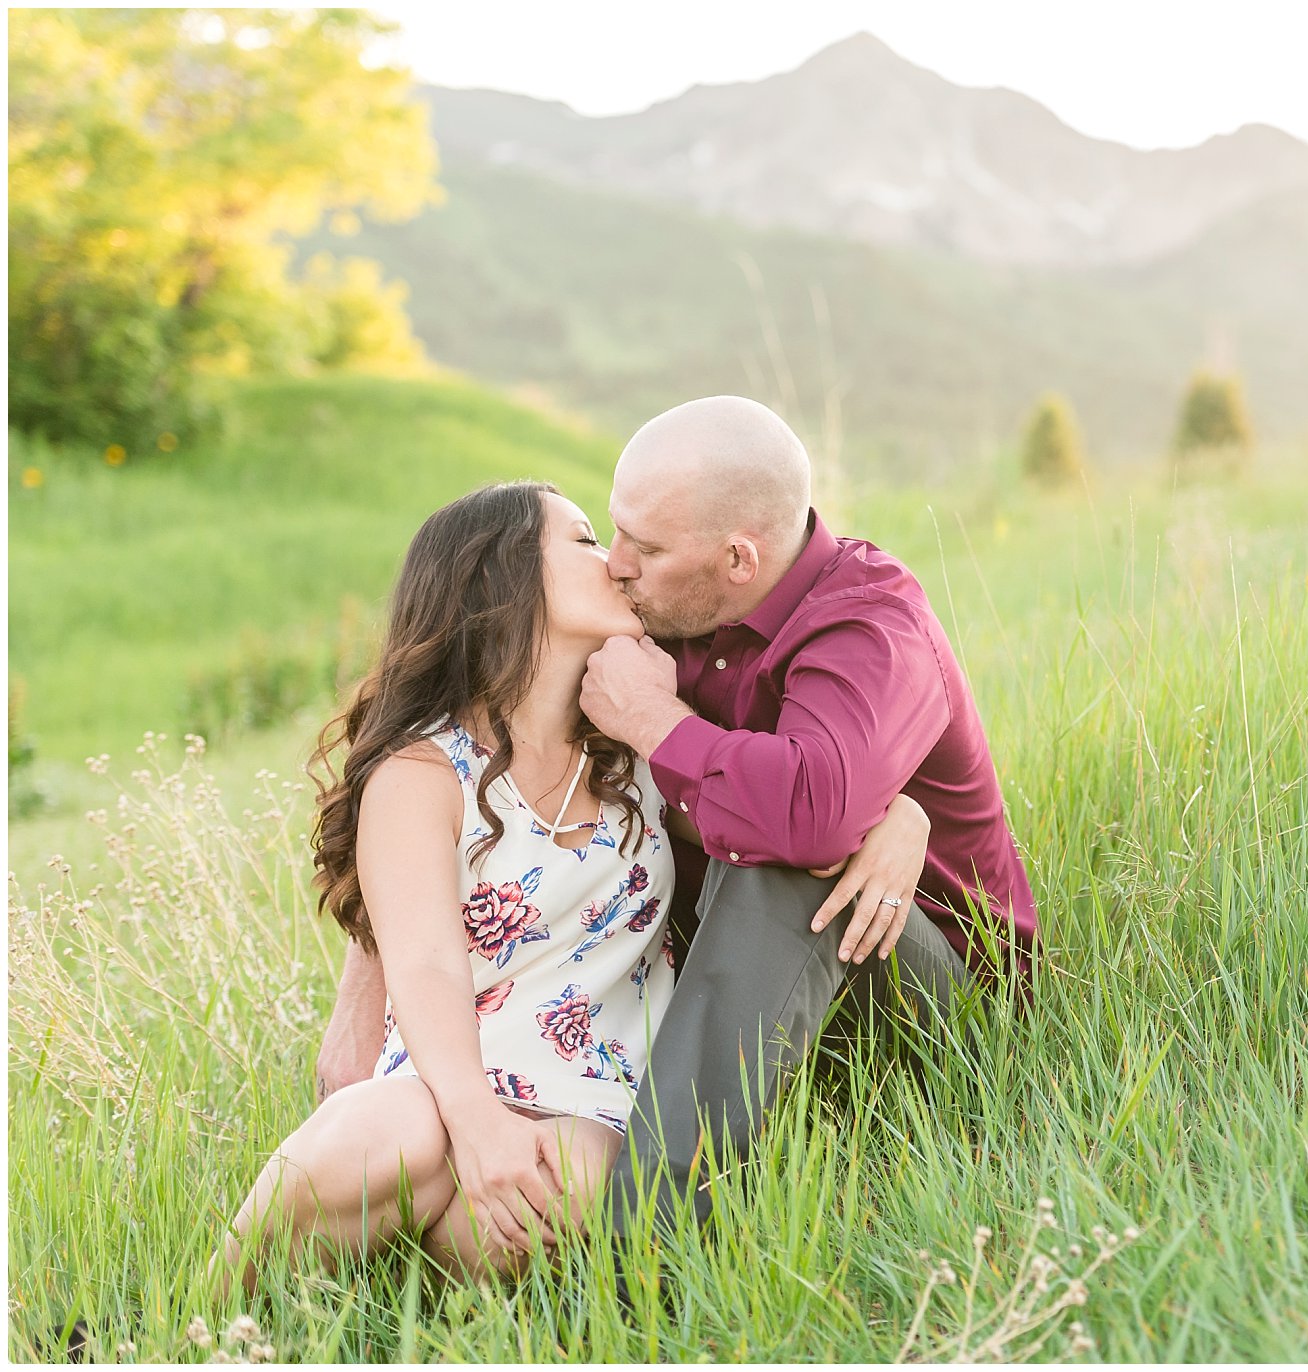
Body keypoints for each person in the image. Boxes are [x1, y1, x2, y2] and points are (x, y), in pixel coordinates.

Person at [217, 480, 932, 1290]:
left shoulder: (638, 747)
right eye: (587, 541)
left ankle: (402, 1269)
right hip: (447, 1079)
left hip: (598, 1099)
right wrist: (475, 1120)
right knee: (397, 1134)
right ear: (506, 579)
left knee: (567, 1185)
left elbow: (771, 820)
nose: (618, 564)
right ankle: (186, 1322)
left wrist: (898, 815)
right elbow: (424, 967)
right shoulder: (422, 770)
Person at [576, 395, 1039, 1238]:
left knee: (791, 859)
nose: (615, 565)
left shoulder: (871, 622)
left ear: (739, 559)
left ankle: (637, 1253)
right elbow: (456, 746)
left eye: (644, 547)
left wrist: (657, 725)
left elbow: (806, 822)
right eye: (615, 532)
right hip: (758, 993)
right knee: (769, 828)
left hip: (936, 1002)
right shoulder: (663, 607)